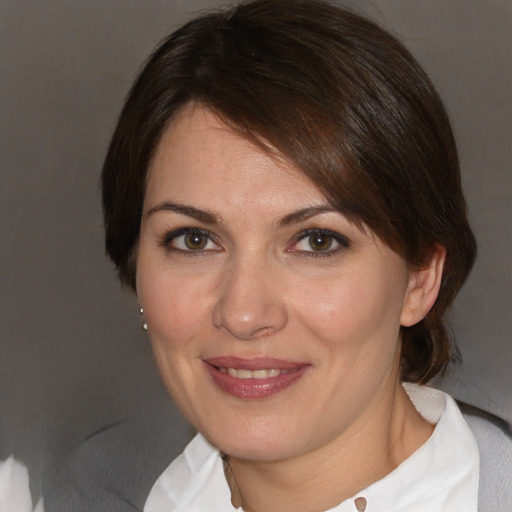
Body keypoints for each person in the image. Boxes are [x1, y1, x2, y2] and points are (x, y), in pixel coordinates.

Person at [100, 0, 509, 510]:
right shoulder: (92, 489)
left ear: (420, 278)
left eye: (317, 241)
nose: (244, 314)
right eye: (194, 240)